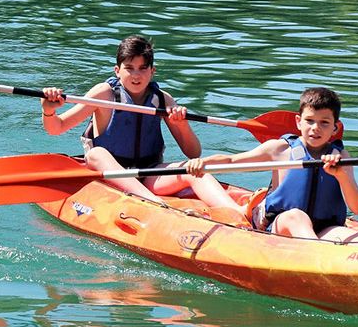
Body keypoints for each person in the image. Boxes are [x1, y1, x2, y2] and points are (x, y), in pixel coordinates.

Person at [39, 35, 245, 217]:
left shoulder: (163, 99)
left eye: (142, 68)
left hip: (148, 174)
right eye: (129, 68)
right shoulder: (104, 94)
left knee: (192, 170)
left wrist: (181, 125)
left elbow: (193, 152)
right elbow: (56, 128)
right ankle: (155, 204)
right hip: (106, 174)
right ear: (117, 71)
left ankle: (239, 214)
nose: (136, 75)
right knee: (96, 154)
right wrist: (48, 110)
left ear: (152, 71)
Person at [186, 87, 358, 244]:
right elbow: (232, 161)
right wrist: (202, 163)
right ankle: (319, 258)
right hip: (281, 225)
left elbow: (357, 208)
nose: (315, 128)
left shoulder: (340, 157)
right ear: (298, 122)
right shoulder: (280, 149)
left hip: (325, 229)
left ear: (335, 128)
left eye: (324, 123)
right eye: (309, 121)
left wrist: (341, 175)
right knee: (297, 217)